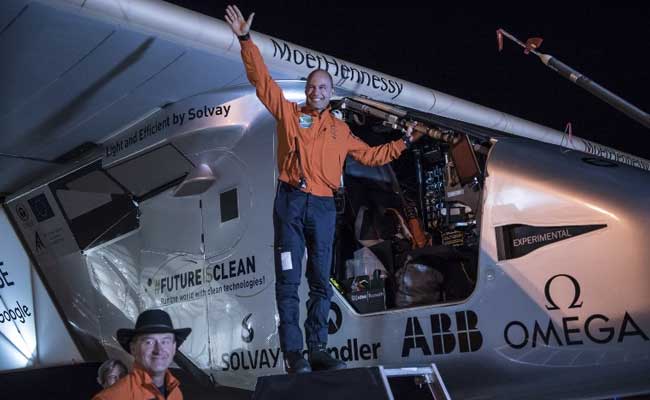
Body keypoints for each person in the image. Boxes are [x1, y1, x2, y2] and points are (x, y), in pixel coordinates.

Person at [225, 5, 424, 374]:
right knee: (288, 280)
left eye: (323, 87)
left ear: (331, 94)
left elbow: (371, 155)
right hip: (290, 203)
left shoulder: (341, 131)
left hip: (323, 208)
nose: (317, 91)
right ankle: (293, 355)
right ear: (307, 91)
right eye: (312, 86)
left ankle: (317, 347)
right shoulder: (290, 114)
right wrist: (244, 39)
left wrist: (403, 144)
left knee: (320, 281)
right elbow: (262, 81)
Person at [92, 309, 191, 400]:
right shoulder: (110, 398)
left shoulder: (176, 393)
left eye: (165, 341)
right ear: (133, 348)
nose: (158, 350)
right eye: (149, 342)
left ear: (174, 348)